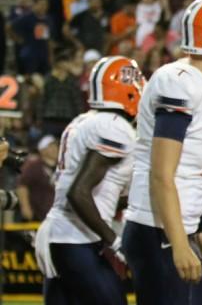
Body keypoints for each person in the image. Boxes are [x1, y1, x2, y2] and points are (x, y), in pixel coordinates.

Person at [122, 0, 202, 304]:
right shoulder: (179, 82)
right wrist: (179, 243)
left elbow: (197, 170)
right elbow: (162, 174)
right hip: (158, 229)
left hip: (178, 224)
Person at [36, 56, 144, 305]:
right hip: (74, 238)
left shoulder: (84, 120)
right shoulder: (113, 126)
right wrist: (114, 240)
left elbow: (96, 196)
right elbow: (79, 193)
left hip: (60, 233)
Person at [17, 135, 58, 222]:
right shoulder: (33, 165)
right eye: (51, 146)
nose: (55, 148)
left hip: (56, 216)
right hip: (38, 215)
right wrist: (25, 207)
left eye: (55, 146)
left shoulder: (60, 166)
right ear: (42, 150)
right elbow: (22, 186)